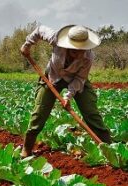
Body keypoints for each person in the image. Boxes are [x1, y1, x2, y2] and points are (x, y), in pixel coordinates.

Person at [20, 25, 112, 157]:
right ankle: (27, 149)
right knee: (39, 112)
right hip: (53, 78)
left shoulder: (88, 57)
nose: (79, 54)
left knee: (91, 112)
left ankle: (110, 150)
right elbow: (40, 30)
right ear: (68, 46)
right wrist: (27, 44)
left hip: (76, 80)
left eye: (82, 50)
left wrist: (68, 96)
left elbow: (80, 78)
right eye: (75, 51)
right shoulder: (56, 38)